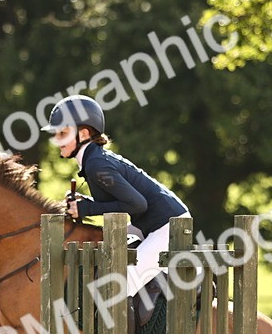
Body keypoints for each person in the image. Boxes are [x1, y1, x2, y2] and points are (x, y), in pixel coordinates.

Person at [42, 95, 190, 297]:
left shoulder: (96, 164)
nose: (57, 140)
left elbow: (137, 204)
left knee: (117, 287)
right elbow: (124, 202)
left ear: (83, 133)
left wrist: (86, 209)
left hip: (167, 226)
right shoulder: (93, 160)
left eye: (63, 133)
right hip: (149, 222)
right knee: (103, 251)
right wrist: (86, 203)